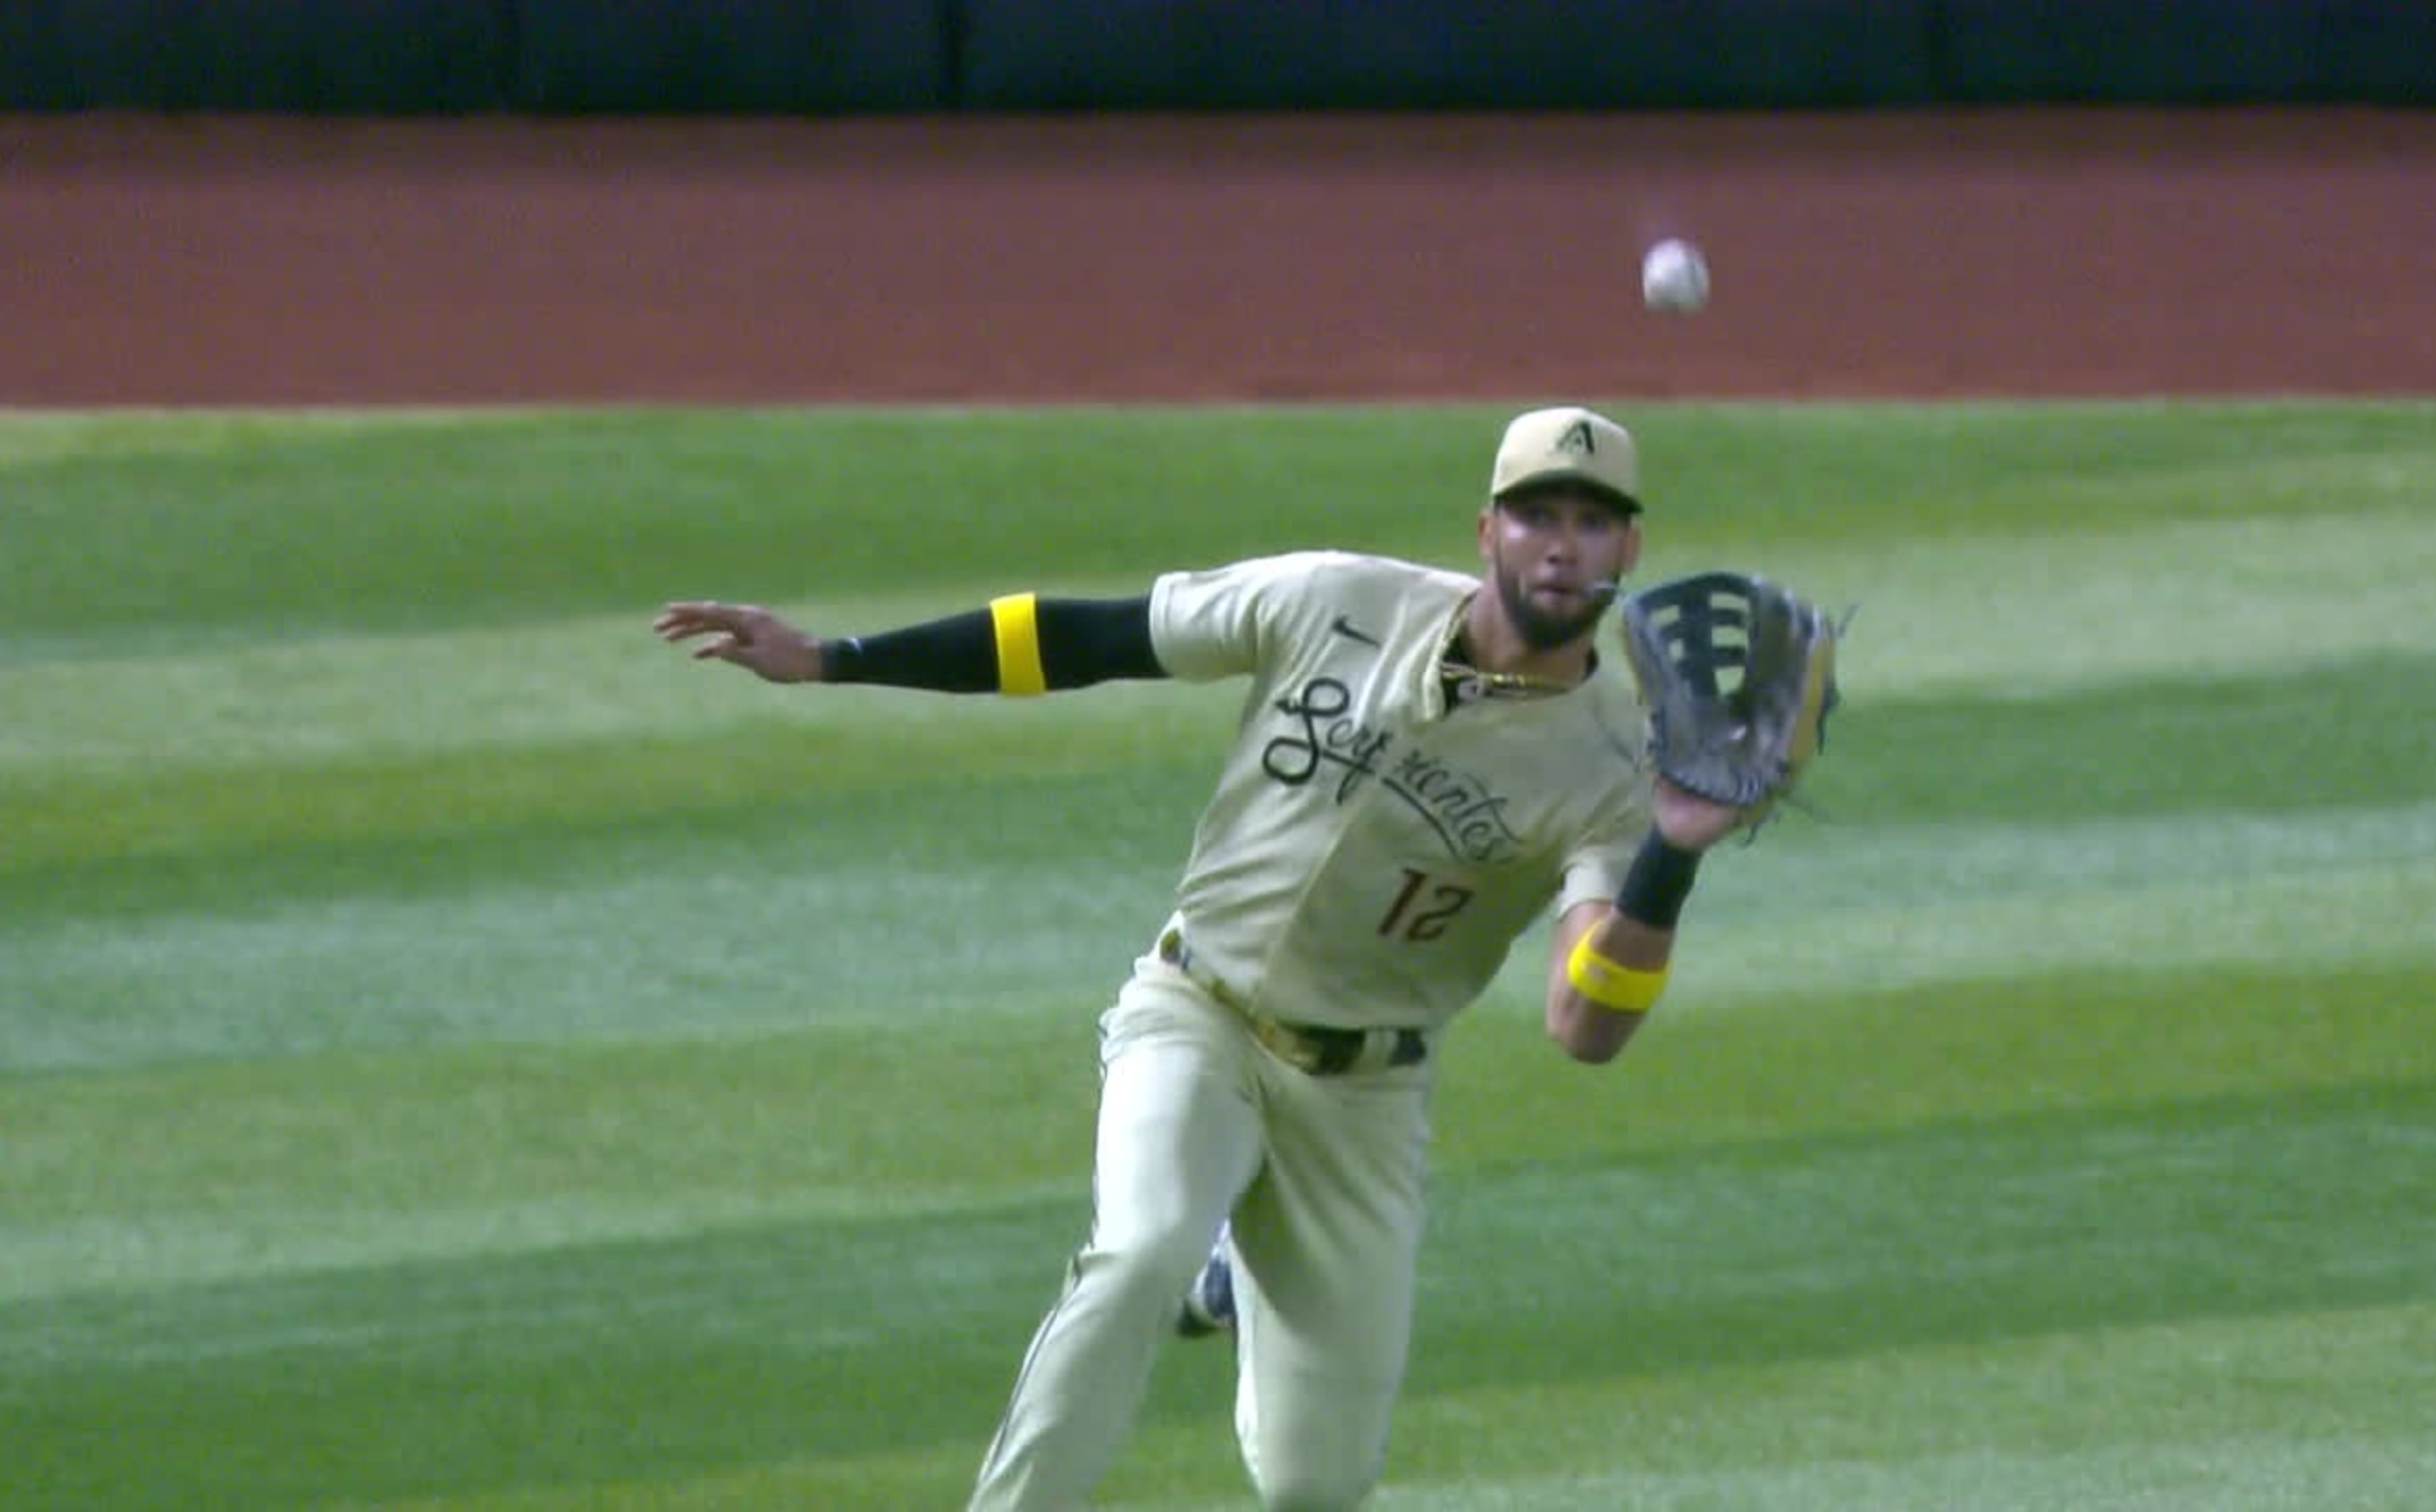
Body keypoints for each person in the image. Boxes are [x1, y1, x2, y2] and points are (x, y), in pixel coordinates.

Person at [653, 406, 1757, 1510]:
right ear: (1487, 531)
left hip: (1363, 1101)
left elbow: (1585, 1024)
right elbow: (1091, 638)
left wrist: (1675, 854)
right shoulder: (1338, 600)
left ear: (1630, 551)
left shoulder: (1618, 765)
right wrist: (835, 660)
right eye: (1537, 516)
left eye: (1593, 522)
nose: (1563, 544)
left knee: (1316, 1485)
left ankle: (1236, 1267)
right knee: (1136, 1257)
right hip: (1199, 1013)